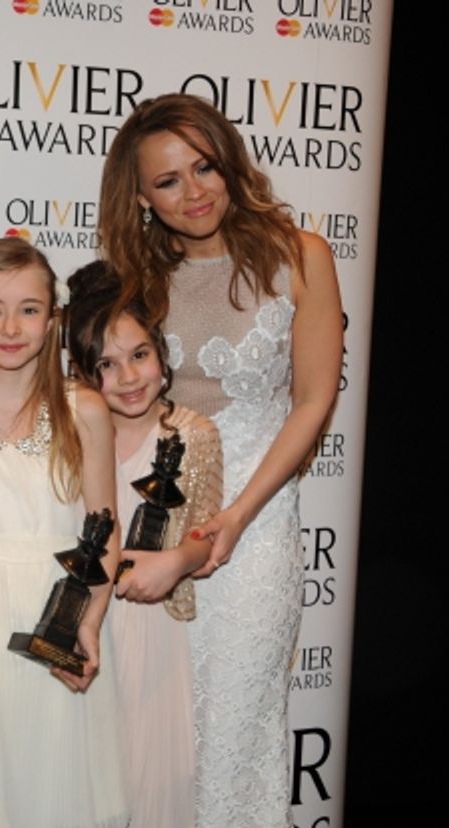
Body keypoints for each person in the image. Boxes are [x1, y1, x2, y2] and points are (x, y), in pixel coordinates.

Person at [99, 93, 343, 827]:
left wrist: (236, 517)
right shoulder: (134, 278)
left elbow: (312, 401)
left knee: (238, 726)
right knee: (154, 735)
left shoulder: (301, 256)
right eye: (167, 180)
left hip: (256, 524)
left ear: (230, 163)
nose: (194, 191)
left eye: (204, 167)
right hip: (156, 522)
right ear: (141, 197)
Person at [0, 237, 128, 828]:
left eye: (29, 309)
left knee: (54, 786)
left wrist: (88, 621)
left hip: (59, 616)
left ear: (53, 320)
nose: (10, 327)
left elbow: (105, 528)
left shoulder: (84, 410)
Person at [66, 260, 224, 828]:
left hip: (153, 632)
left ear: (161, 352)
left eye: (139, 355)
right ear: (81, 372)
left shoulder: (194, 434)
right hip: (79, 619)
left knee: (149, 781)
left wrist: (175, 562)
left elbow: (207, 535)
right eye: (106, 365)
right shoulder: (70, 429)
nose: (129, 376)